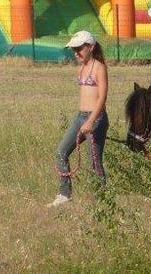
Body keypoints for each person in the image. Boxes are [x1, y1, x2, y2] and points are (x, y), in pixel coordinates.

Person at [49, 30, 109, 208]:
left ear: (90, 47)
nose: (76, 53)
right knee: (61, 152)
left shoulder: (99, 68)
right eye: (73, 50)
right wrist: (84, 120)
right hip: (80, 117)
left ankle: (102, 200)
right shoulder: (81, 68)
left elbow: (102, 98)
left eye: (79, 49)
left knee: (94, 161)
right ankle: (64, 194)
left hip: (96, 119)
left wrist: (91, 121)